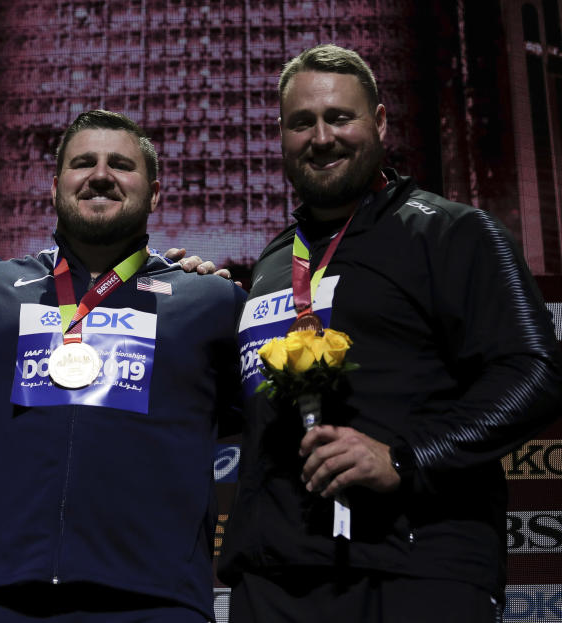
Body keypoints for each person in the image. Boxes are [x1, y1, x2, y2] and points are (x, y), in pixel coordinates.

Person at [217, 44, 562, 622]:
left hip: (413, 571)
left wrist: (406, 459)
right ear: (281, 136)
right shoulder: (276, 261)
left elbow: (536, 371)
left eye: (339, 117)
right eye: (302, 122)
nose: (321, 137)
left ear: (378, 122)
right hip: (274, 581)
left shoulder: (452, 233)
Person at [0, 110, 246, 623]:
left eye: (121, 165)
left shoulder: (212, 301)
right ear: (55, 186)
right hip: (3, 596)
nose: (101, 174)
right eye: (83, 162)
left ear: (154, 194)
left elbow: (256, 423)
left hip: (158, 601)